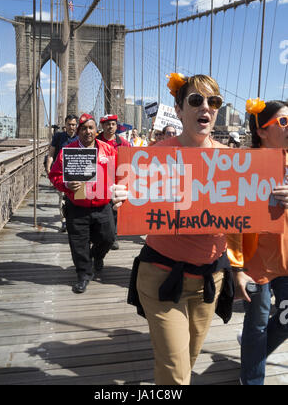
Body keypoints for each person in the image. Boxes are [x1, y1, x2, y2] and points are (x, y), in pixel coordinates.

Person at [112, 73, 235, 385]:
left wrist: (275, 203)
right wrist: (123, 197)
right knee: (176, 374)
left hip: (210, 278)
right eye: (195, 100)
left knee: (187, 360)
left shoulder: (234, 162)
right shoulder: (153, 158)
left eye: (213, 101)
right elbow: (134, 197)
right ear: (179, 110)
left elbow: (246, 220)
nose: (205, 107)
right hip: (162, 277)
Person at [227, 99, 288, 385]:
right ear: (262, 131)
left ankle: (253, 353)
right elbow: (231, 220)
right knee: (259, 323)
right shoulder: (243, 165)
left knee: (285, 320)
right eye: (284, 122)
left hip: (286, 259)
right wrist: (236, 266)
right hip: (255, 262)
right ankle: (251, 379)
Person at [49, 113, 116, 294]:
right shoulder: (66, 152)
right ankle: (84, 275)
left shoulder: (108, 150)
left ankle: (96, 256)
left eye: (91, 128)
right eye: (84, 128)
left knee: (108, 237)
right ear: (78, 131)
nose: (88, 131)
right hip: (77, 205)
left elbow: (118, 173)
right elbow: (54, 175)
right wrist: (66, 184)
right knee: (78, 243)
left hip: (102, 205)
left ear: (97, 130)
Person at [97, 114, 131, 250]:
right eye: (107, 124)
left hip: (117, 181)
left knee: (115, 210)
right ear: (102, 126)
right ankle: (99, 236)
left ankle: (113, 237)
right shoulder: (95, 141)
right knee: (100, 210)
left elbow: (130, 158)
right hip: (99, 181)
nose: (110, 127)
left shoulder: (123, 142)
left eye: (113, 124)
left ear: (116, 126)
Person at [46, 114, 79, 232]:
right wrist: (49, 168)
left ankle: (74, 219)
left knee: (77, 196)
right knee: (62, 198)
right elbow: (51, 154)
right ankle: (64, 221)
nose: (72, 127)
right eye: (69, 124)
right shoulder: (58, 137)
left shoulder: (81, 138)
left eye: (74, 125)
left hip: (76, 172)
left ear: (77, 125)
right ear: (65, 125)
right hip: (61, 172)